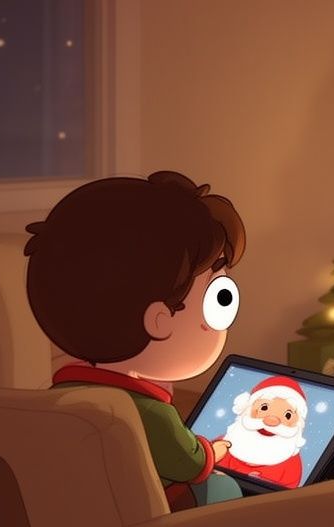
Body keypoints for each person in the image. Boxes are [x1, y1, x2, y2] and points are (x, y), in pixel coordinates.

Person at [23, 170, 246, 509]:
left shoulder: (57, 398)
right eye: (218, 300)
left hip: (89, 517)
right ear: (159, 320)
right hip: (149, 524)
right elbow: (189, 462)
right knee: (222, 487)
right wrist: (211, 451)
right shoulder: (150, 415)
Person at [217, 376, 307, 489]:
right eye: (264, 408)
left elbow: (288, 492)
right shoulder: (224, 443)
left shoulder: (290, 461)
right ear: (247, 409)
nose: (272, 421)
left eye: (287, 415)